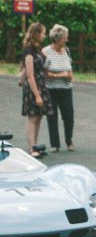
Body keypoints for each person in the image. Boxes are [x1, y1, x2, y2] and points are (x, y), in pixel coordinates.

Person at [21, 22, 53, 157]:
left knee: (39, 116)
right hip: (34, 86)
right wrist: (37, 95)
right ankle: (31, 148)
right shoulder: (28, 51)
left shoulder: (37, 49)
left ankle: (35, 145)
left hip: (41, 84)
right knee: (32, 117)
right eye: (43, 33)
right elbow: (30, 75)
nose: (44, 35)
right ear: (37, 34)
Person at [42, 24, 74, 152]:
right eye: (64, 38)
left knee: (69, 116)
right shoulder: (46, 52)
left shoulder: (67, 51)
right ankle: (55, 144)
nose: (66, 40)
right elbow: (44, 73)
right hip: (51, 89)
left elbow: (70, 70)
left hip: (66, 89)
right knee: (52, 116)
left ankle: (69, 141)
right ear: (56, 38)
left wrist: (69, 75)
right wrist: (60, 75)